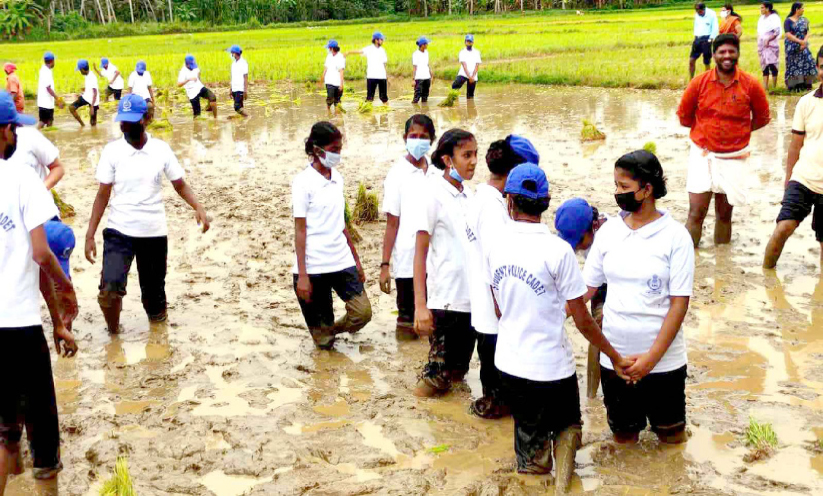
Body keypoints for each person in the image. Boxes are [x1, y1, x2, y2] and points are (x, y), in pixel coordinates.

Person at [486, 163, 630, 490]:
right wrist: (614, 355)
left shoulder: (494, 245)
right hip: (551, 368)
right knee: (568, 427)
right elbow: (583, 320)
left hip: (509, 366)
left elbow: (498, 308)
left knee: (530, 449)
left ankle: (534, 474)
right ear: (546, 202)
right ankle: (564, 489)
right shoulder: (559, 251)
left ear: (509, 201)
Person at [583, 151, 694, 448]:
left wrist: (650, 360)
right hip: (615, 361)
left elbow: (679, 305)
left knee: (672, 441)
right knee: (623, 441)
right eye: (616, 185)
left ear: (647, 189)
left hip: (664, 364)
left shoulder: (676, 237)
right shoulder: (608, 232)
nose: (617, 193)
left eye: (624, 187)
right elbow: (585, 290)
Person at [0, 91, 79, 495]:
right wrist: (66, 293)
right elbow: (42, 254)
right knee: (43, 437)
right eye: (14, 128)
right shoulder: (21, 179)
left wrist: (56, 318)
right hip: (18, 324)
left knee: (5, 432)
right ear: (4, 131)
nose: (16, 134)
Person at [84, 94, 211, 334]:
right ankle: (114, 335)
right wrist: (90, 234)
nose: (125, 126)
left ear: (145, 119)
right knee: (109, 290)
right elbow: (102, 195)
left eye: (130, 121)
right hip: (119, 230)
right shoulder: (112, 151)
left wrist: (198, 207)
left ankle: (159, 339)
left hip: (153, 232)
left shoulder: (160, 150)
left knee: (154, 297)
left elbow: (180, 185)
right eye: (123, 121)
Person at [465, 135, 539, 419]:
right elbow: (495, 263)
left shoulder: (485, 197)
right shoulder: (493, 209)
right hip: (495, 313)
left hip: (489, 310)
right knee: (500, 396)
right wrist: (503, 307)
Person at [677, 34, 771, 247]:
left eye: (731, 51)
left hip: (734, 157)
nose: (727, 56)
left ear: (738, 54)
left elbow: (763, 118)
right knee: (696, 212)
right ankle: (688, 257)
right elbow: (684, 116)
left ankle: (722, 262)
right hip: (702, 155)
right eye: (722, 52)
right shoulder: (699, 83)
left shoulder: (750, 85)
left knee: (724, 214)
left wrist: (739, 132)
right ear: (714, 55)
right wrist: (706, 131)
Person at [292, 122, 372, 349]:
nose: (338, 154)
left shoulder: (337, 178)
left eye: (339, 149)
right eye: (334, 149)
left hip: (340, 260)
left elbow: (342, 224)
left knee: (362, 313)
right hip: (314, 266)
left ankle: (332, 328)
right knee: (324, 343)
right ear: (317, 150)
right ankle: (325, 332)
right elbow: (300, 230)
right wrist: (303, 275)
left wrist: (356, 261)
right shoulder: (303, 183)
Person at [412, 129, 477, 397]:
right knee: (436, 376)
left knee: (458, 372)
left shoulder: (470, 196)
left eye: (475, 154)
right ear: (448, 160)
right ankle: (415, 411)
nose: (474, 161)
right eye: (467, 155)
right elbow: (420, 252)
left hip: (471, 301)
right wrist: (420, 306)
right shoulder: (432, 194)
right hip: (445, 302)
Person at [379, 114, 438, 341]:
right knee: (407, 320)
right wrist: (385, 265)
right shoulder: (397, 174)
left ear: (432, 140)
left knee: (434, 319)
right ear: (405, 138)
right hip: (406, 261)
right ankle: (405, 352)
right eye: (413, 136)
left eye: (423, 136)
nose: (418, 141)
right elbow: (392, 223)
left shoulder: (437, 172)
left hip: (435, 261)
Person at [764, 46, 823, 269]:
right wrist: (788, 181)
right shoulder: (806, 103)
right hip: (804, 178)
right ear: (816, 69)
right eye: (822, 67)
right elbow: (795, 146)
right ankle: (766, 276)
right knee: (783, 228)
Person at [555, 198, 608, 399]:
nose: (575, 246)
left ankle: (593, 395)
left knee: (597, 327)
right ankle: (592, 394)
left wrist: (556, 316)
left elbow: (584, 293)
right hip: (598, 279)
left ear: (593, 227)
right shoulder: (585, 230)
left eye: (577, 240)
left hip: (618, 282)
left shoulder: (604, 240)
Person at [347, 32, 389, 105]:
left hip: (382, 76)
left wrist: (386, 76)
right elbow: (359, 51)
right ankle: (367, 110)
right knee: (370, 98)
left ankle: (386, 110)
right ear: (376, 40)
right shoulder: (369, 49)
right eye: (381, 39)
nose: (382, 41)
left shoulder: (382, 50)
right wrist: (348, 52)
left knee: (383, 98)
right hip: (371, 76)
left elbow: (384, 64)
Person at [784, 2, 816, 91]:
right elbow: (788, 34)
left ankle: (807, 84)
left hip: (804, 46)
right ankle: (795, 86)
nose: (803, 10)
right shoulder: (788, 21)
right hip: (792, 47)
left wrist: (804, 42)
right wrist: (800, 42)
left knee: (808, 62)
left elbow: (807, 32)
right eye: (802, 8)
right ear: (796, 9)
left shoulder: (804, 20)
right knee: (793, 65)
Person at [178, 55, 217, 119]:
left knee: (212, 97)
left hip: (199, 87)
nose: (192, 67)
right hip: (192, 93)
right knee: (197, 114)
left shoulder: (195, 67)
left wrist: (200, 82)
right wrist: (188, 79)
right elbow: (179, 84)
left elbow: (198, 73)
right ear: (187, 64)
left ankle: (215, 118)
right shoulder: (183, 72)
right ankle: (196, 124)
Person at [690, 3, 719, 80]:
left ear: (704, 9)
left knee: (706, 61)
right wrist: (695, 37)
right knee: (691, 60)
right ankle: (691, 80)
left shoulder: (711, 14)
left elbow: (715, 27)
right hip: (697, 39)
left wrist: (711, 39)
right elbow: (696, 26)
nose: (698, 13)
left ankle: (708, 80)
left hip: (707, 39)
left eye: (700, 11)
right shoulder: (697, 15)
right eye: (697, 11)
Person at [758, 1, 782, 90]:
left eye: (762, 7)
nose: (761, 9)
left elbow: (777, 31)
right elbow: (760, 32)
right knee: (764, 65)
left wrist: (768, 39)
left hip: (771, 44)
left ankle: (774, 86)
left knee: (772, 64)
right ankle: (765, 86)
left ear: (767, 8)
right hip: (762, 44)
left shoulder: (774, 18)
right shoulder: (761, 18)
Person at [69, 59, 98, 127]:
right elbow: (90, 88)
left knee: (93, 122)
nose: (80, 71)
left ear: (82, 69)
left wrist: (92, 107)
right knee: (71, 107)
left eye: (80, 70)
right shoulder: (86, 75)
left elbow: (95, 92)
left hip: (94, 100)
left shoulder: (92, 77)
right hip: (86, 97)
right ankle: (82, 125)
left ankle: (92, 128)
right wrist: (82, 93)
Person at [37, 52, 63, 129]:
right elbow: (48, 88)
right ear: (52, 61)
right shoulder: (46, 72)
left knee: (49, 121)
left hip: (46, 102)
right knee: (43, 122)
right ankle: (36, 133)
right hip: (46, 103)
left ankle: (48, 135)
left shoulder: (44, 69)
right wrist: (57, 98)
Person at [453, 34, 481, 99]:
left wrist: (472, 77)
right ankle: (455, 100)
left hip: (473, 75)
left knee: (470, 95)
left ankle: (470, 105)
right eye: (467, 41)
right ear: (465, 42)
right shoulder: (462, 52)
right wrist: (469, 77)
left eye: (470, 41)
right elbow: (464, 65)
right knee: (454, 86)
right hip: (463, 74)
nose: (469, 43)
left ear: (473, 42)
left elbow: (477, 65)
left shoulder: (477, 52)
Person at [322, 40, 345, 112]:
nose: (328, 49)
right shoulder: (329, 56)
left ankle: (337, 114)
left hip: (337, 82)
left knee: (337, 101)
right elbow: (326, 68)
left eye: (328, 48)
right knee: (330, 98)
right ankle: (328, 111)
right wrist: (322, 78)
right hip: (329, 81)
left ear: (332, 48)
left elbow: (341, 71)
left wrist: (341, 84)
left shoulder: (340, 57)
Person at [229, 45, 249, 116]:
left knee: (237, 107)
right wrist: (231, 89)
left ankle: (248, 117)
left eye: (232, 53)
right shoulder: (233, 64)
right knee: (240, 106)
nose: (231, 54)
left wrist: (245, 90)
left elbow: (245, 77)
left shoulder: (243, 63)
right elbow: (233, 77)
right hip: (234, 89)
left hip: (240, 89)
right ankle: (244, 120)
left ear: (235, 53)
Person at [412, 37, 432, 104]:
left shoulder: (426, 53)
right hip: (419, 78)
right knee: (416, 97)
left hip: (427, 77)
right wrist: (413, 79)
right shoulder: (415, 54)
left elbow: (427, 64)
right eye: (426, 44)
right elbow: (414, 67)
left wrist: (431, 73)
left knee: (425, 96)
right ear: (422, 45)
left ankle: (424, 109)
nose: (427, 45)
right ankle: (415, 109)